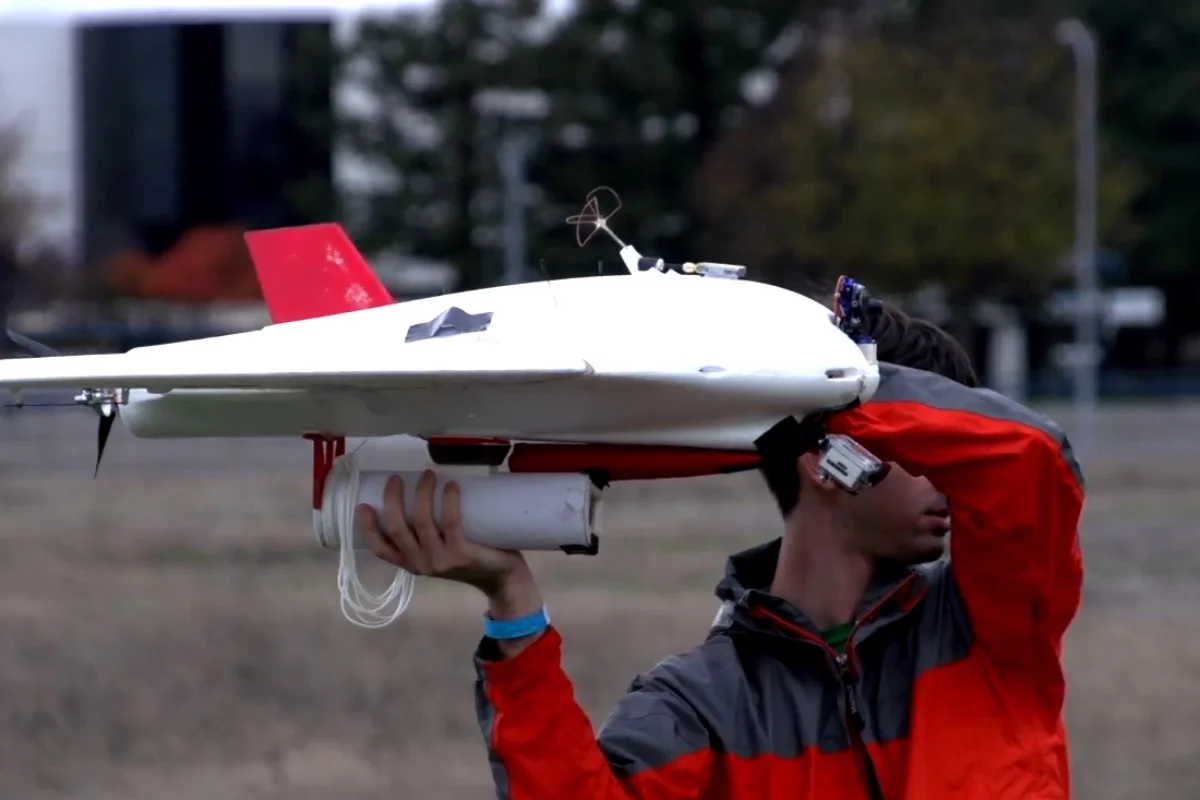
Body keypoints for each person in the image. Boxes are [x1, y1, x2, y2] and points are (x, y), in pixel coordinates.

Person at [359, 303, 1085, 800]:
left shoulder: (994, 631)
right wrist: (513, 609)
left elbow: (1032, 461)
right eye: (921, 452)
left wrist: (830, 387)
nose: (952, 483)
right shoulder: (704, 703)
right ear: (823, 456)